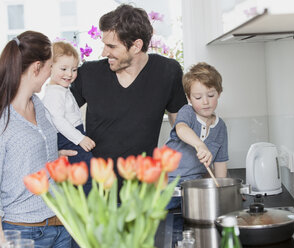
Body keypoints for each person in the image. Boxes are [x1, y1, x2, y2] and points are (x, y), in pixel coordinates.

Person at [70, 4, 187, 184]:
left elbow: (181, 125)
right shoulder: (88, 73)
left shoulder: (167, 72)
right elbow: (54, 113)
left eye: (112, 46)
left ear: (136, 46)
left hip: (143, 190)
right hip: (96, 189)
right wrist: (60, 147)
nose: (104, 52)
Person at [0, 31, 71, 247]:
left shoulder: (39, 106)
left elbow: (28, 155)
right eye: (50, 66)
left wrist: (55, 157)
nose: (52, 73)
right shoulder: (3, 121)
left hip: (61, 225)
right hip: (23, 232)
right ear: (37, 67)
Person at [166, 62, 229, 209]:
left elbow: (220, 164)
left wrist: (223, 191)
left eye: (211, 95)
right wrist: (200, 145)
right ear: (189, 98)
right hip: (167, 186)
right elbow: (181, 128)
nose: (205, 102)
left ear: (219, 93)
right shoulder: (187, 113)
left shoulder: (221, 127)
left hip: (195, 189)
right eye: (198, 97)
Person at [43, 41, 94, 194]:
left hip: (73, 133)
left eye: (74, 69)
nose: (69, 74)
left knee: (86, 170)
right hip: (68, 136)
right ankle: (85, 202)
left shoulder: (61, 89)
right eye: (63, 69)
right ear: (50, 67)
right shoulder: (54, 93)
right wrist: (79, 138)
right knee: (85, 170)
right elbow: (58, 120)